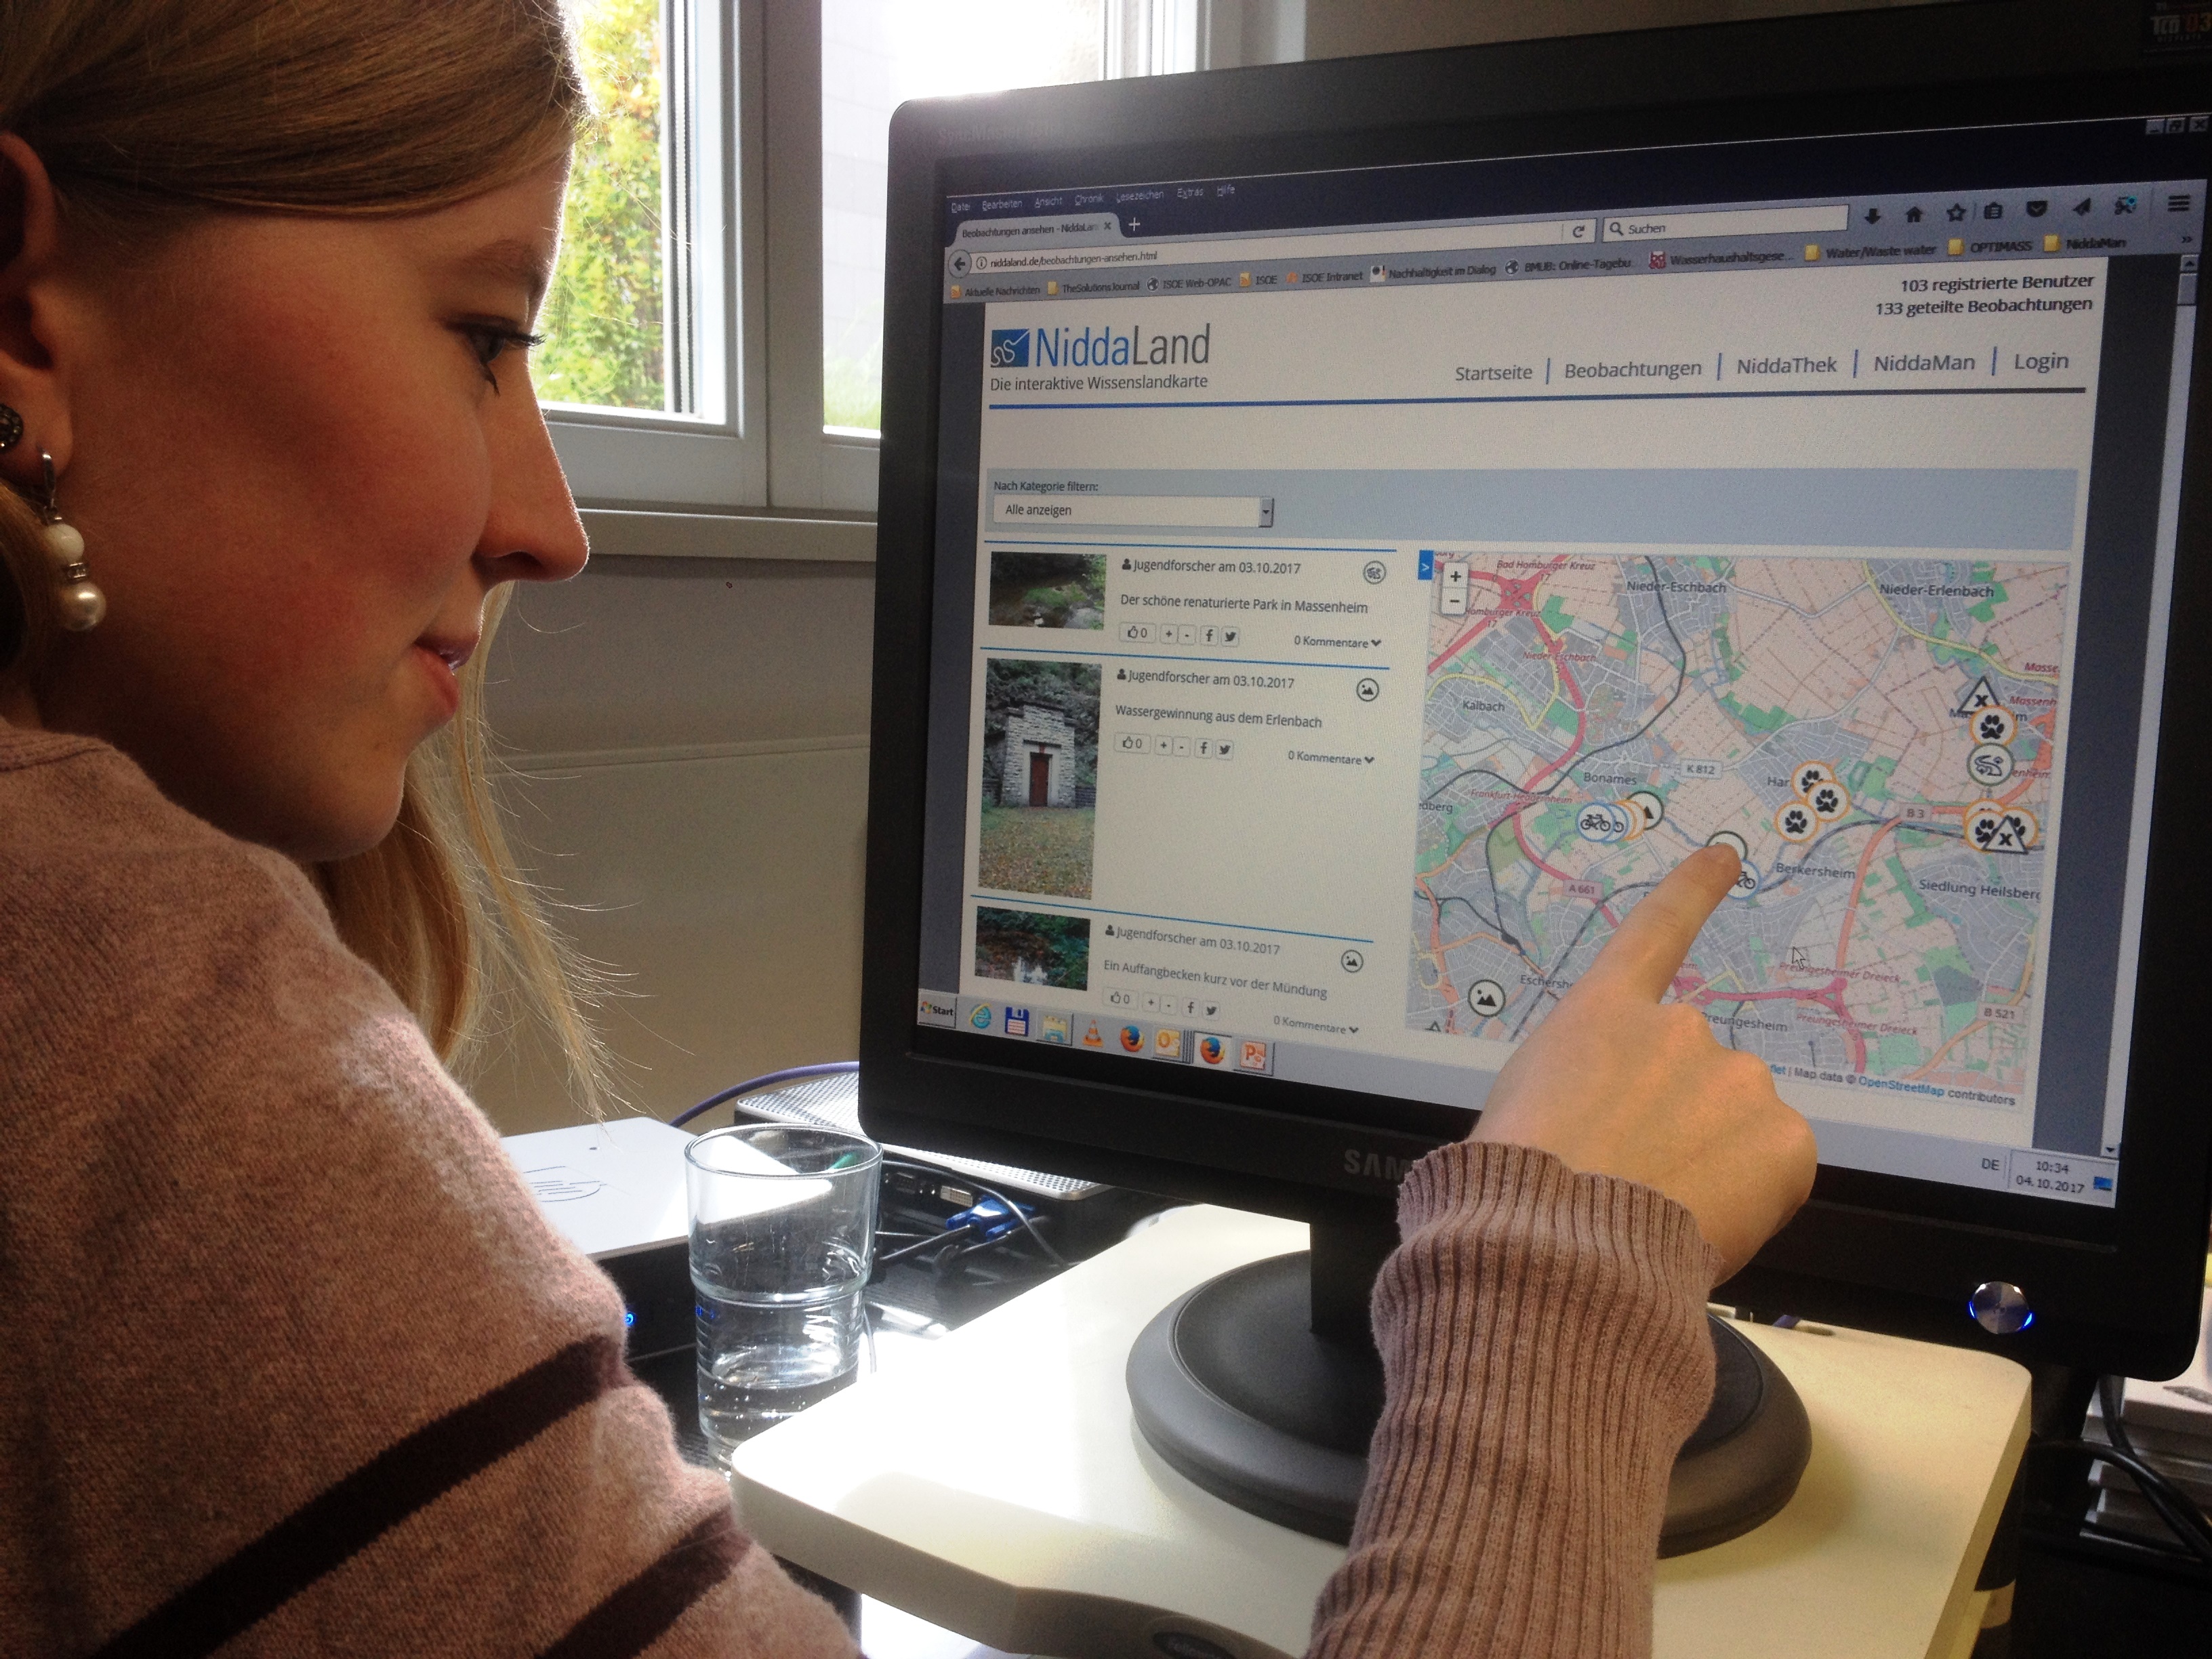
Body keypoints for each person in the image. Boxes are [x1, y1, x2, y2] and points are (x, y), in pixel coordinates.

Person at [0, 3, 1817, 1655]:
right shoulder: (132, 1042)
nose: (552, 527)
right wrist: (1566, 1271)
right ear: (19, 310)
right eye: (484, 336)